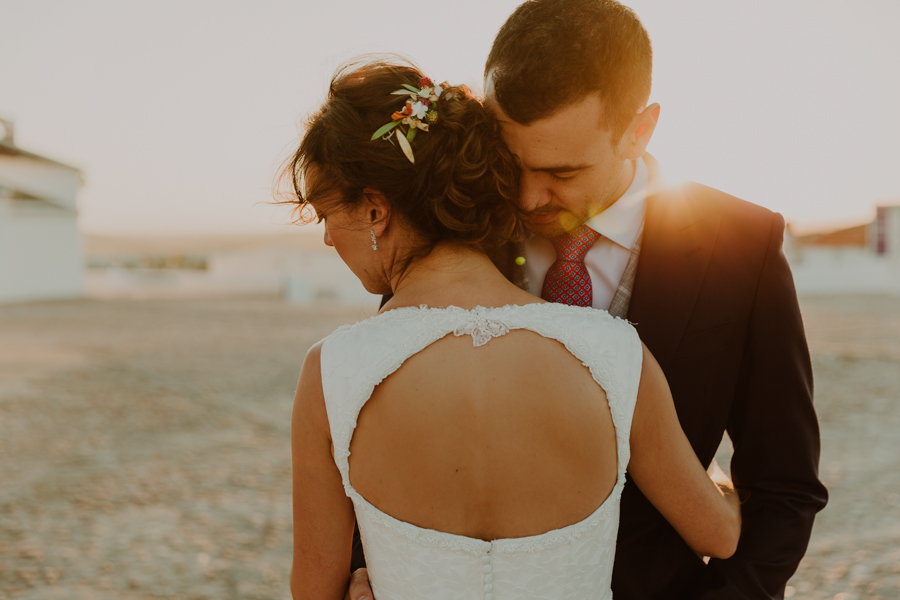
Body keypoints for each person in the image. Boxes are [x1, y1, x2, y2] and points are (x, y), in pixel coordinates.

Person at [344, 1, 828, 599]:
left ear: (639, 130)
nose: (524, 197)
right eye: (510, 160)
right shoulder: (453, 227)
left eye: (562, 172)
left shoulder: (743, 248)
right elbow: (383, 429)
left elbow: (785, 487)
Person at [287, 58, 741, 599]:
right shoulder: (615, 353)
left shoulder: (334, 372)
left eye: (324, 214)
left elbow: (314, 591)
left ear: (375, 210)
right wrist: (724, 489)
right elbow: (720, 536)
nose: (328, 239)